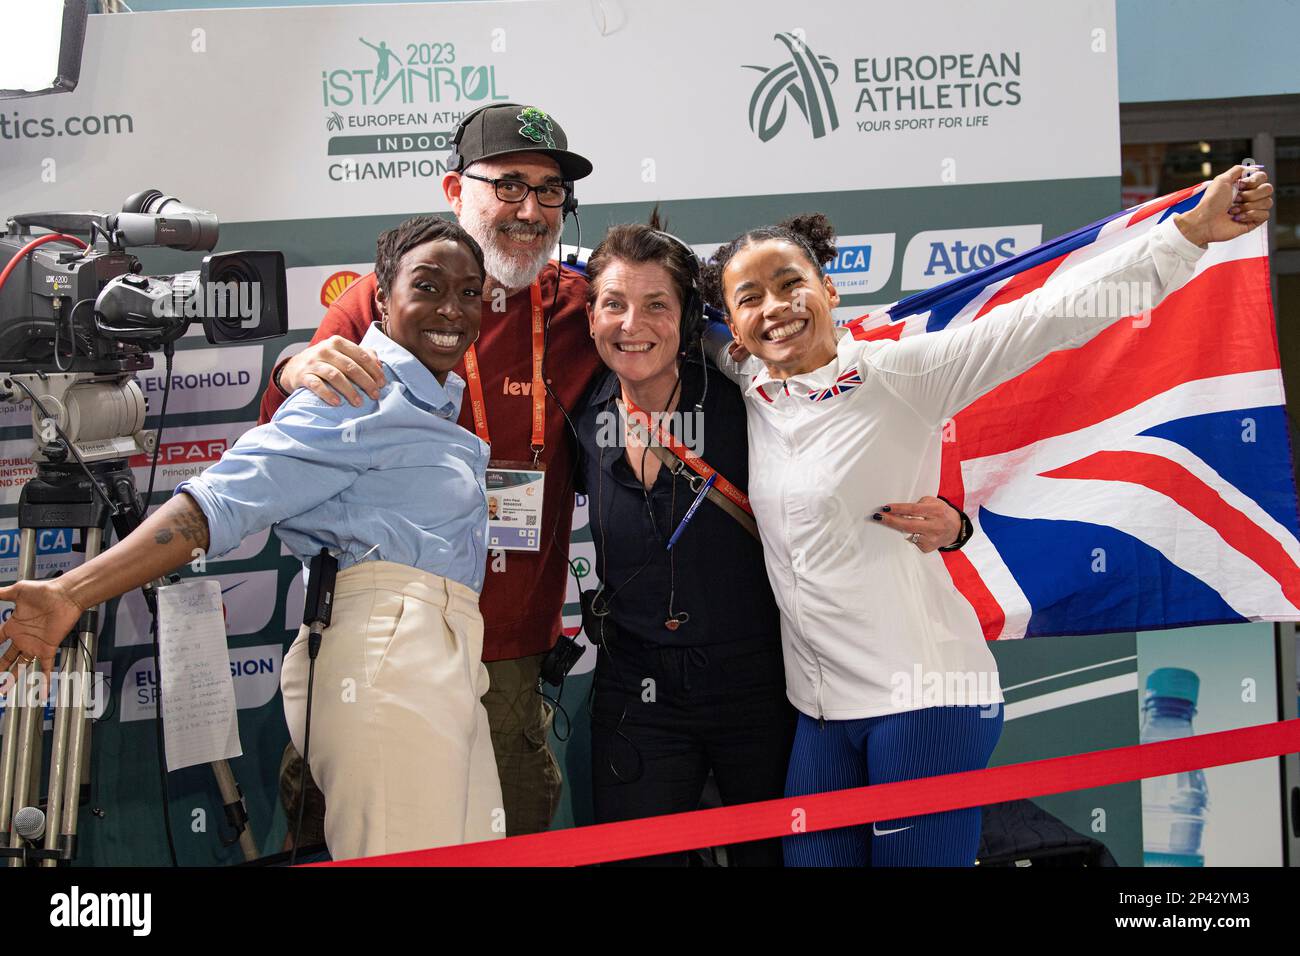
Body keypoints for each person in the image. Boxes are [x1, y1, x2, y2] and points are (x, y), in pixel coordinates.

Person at [698, 166, 1274, 867]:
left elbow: (1045, 319)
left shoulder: (900, 374)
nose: (775, 308)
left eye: (792, 284)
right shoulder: (754, 384)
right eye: (750, 297)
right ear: (733, 323)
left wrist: (1184, 237)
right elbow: (651, 292)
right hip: (821, 709)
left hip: (925, 697)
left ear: (829, 290)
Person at [0, 216, 504, 861]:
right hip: (389, 660)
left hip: (443, 656)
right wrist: (72, 591)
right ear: (380, 296)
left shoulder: (429, 396)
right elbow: (215, 505)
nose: (451, 310)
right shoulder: (354, 391)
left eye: (468, 292)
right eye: (428, 286)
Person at [575, 220, 967, 865]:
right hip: (635, 689)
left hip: (759, 689)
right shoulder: (581, 412)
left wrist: (954, 521)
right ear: (590, 317)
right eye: (614, 304)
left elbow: (856, 451)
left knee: (776, 861)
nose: (632, 323)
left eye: (656, 306)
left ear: (688, 318)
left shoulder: (753, 396)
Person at [258, 103, 601, 836]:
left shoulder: (586, 310)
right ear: (455, 189)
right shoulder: (379, 298)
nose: (530, 209)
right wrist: (291, 368)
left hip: (507, 641)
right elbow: (280, 434)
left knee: (500, 823)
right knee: (345, 824)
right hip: (379, 634)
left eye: (549, 192)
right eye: (508, 184)